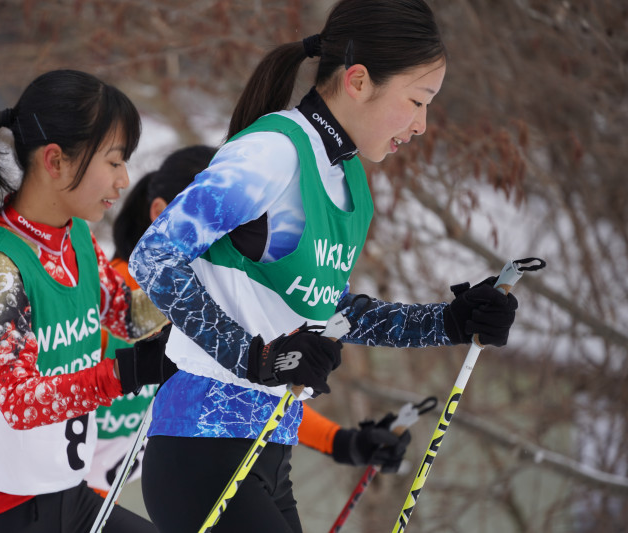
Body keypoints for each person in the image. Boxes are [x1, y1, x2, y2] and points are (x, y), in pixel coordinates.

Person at [129, 1, 519, 532]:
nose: (422, 125)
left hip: (269, 450)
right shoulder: (272, 152)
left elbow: (326, 313)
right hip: (201, 448)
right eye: (416, 101)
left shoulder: (348, 180)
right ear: (358, 81)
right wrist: (255, 357)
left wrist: (448, 322)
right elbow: (155, 257)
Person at [86, 145, 409, 497]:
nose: (230, 244)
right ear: (162, 214)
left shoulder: (220, 307)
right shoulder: (118, 303)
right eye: (219, 230)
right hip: (64, 498)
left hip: (95, 500)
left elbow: (255, 395)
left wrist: (342, 442)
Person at [0, 69, 173, 533]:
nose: (124, 179)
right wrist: (130, 372)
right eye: (114, 161)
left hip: (70, 497)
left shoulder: (73, 236)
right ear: (56, 161)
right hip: (2, 515)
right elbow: (20, 401)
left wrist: (212, 299)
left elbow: (125, 314)